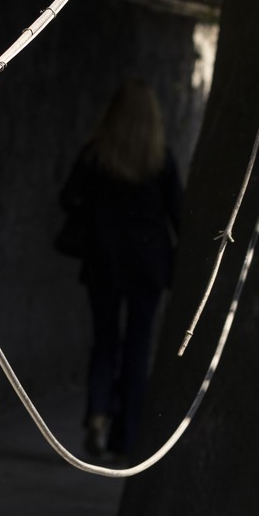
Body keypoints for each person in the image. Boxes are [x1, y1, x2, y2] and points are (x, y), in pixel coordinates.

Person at [59, 80, 182, 462]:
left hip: (103, 261)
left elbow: (68, 199)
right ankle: (126, 439)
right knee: (138, 347)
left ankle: (97, 411)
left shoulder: (95, 156)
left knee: (105, 341)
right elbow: (179, 214)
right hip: (148, 265)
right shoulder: (160, 158)